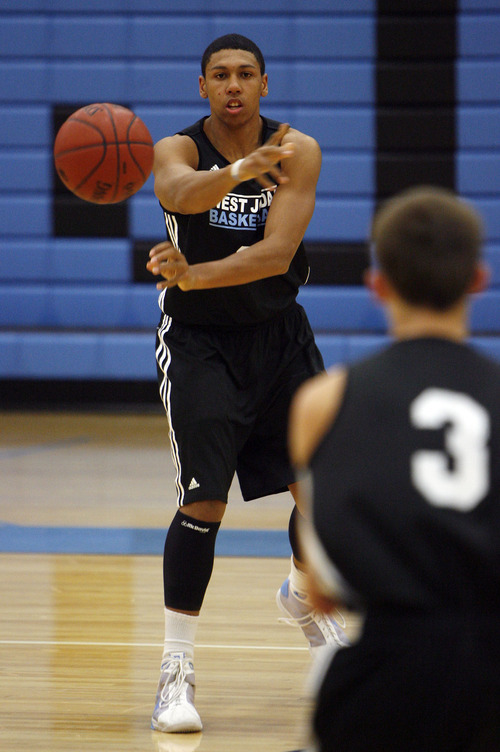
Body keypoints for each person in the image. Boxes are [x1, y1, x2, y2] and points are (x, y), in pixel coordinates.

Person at [146, 33, 349, 735]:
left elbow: (275, 254)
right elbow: (180, 192)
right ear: (202, 87)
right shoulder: (174, 149)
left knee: (321, 496)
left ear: (265, 84)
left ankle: (304, 598)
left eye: (245, 75)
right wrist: (238, 170)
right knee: (203, 502)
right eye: (220, 76)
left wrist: (193, 271)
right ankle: (176, 672)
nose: (233, 86)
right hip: (200, 344)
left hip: (279, 340)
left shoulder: (301, 150)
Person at [288, 186, 500, 752]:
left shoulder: (322, 401)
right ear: (477, 280)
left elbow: (324, 589)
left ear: (377, 286)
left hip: (385, 676)